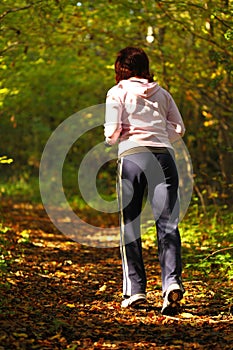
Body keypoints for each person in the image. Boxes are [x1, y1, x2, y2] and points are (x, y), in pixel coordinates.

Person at [104, 47, 185, 316]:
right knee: (168, 222)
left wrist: (114, 138)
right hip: (164, 158)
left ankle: (135, 290)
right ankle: (171, 283)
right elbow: (179, 128)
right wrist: (160, 136)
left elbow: (112, 132)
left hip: (132, 158)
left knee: (130, 223)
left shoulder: (117, 92)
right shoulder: (162, 93)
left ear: (122, 69)